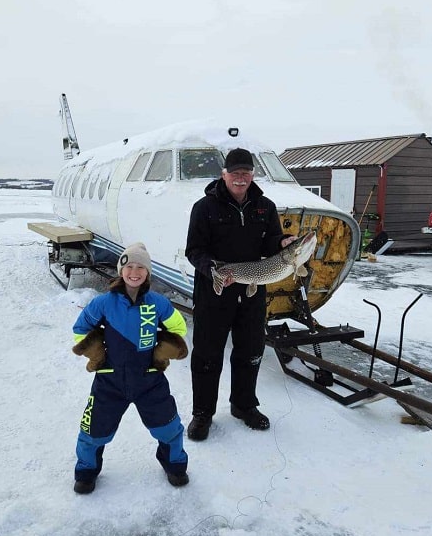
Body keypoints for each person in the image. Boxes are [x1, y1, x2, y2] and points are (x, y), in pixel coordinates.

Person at [185, 148, 296, 441]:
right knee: (207, 354)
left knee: (250, 351)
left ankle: (243, 405)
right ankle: (203, 413)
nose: (240, 178)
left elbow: (269, 245)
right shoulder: (204, 207)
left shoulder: (265, 206)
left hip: (251, 292)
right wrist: (214, 271)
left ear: (252, 175)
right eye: (235, 173)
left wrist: (282, 242)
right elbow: (194, 251)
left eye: (246, 173)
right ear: (224, 174)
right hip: (214, 291)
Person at [71, 242, 190, 494]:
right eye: (129, 266)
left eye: (140, 267)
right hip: (109, 380)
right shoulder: (103, 303)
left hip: (149, 380)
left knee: (168, 426)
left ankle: (175, 464)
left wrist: (163, 351)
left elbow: (178, 328)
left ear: (147, 272)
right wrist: (96, 353)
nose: (134, 272)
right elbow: (80, 330)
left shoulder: (158, 303)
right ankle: (86, 470)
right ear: (120, 270)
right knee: (93, 430)